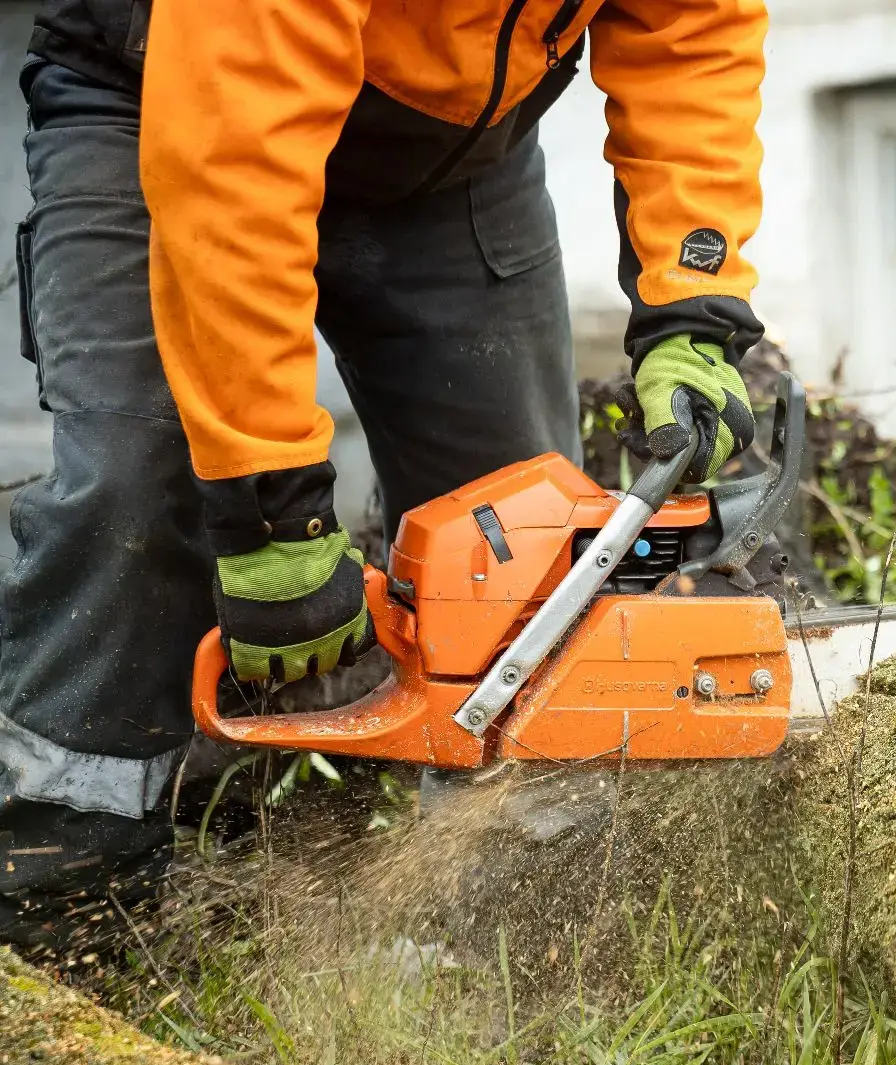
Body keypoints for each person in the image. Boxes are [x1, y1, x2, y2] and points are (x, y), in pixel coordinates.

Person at [0, 0, 768, 956]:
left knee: (518, 535)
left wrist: (693, 297)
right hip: (170, 103)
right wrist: (270, 513)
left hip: (453, 156)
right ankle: (64, 904)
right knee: (134, 488)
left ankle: (536, 926)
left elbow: (689, 33)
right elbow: (236, 174)